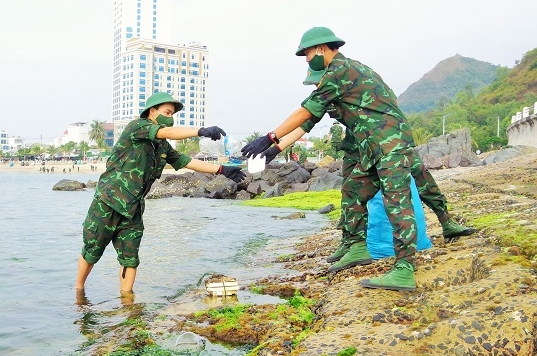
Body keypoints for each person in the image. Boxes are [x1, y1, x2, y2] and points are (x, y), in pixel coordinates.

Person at [243, 27, 473, 292]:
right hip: (373, 146)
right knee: (354, 191)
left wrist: (270, 137)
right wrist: (273, 148)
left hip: (390, 143)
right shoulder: (340, 77)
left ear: (320, 49)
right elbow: (308, 121)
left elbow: (305, 110)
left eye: (306, 53)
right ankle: (357, 246)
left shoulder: (340, 71)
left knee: (398, 201)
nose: (306, 59)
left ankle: (404, 269)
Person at [76, 92, 247, 298]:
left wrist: (222, 170)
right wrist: (200, 131)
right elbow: (171, 132)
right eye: (167, 112)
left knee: (130, 258)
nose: (170, 117)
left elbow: (186, 161)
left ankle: (128, 303)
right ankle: (79, 294)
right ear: (152, 112)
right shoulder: (136, 127)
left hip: (134, 208)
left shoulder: (162, 146)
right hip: (109, 201)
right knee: (93, 250)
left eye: (172, 113)